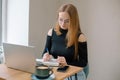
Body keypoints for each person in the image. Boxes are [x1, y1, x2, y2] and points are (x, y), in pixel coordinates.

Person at [42, 3, 88, 80]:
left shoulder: (80, 37)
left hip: (72, 74)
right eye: (60, 20)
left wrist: (67, 63)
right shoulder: (51, 32)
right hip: (55, 73)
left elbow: (83, 63)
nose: (63, 24)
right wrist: (46, 56)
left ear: (73, 21)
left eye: (67, 21)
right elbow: (44, 53)